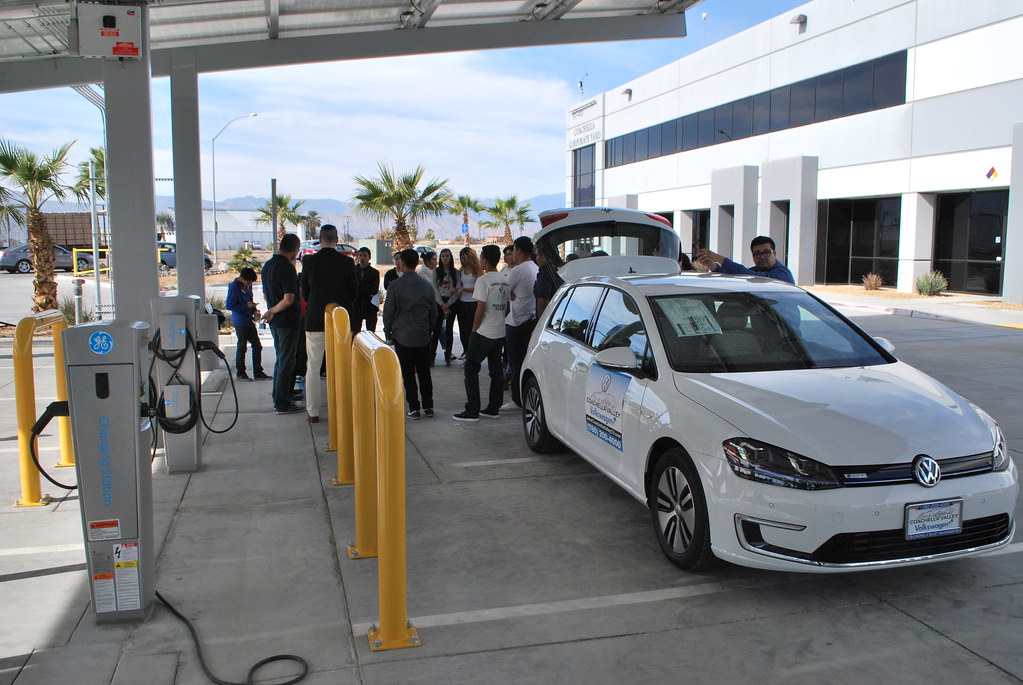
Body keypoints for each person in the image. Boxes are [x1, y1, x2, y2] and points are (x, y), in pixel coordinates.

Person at [300, 224, 358, 424]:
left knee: (313, 367)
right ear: (337, 238)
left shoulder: (309, 261)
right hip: (341, 321)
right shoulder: (347, 262)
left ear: (320, 238)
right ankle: (343, 408)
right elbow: (353, 292)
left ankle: (313, 411)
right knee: (342, 367)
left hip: (316, 319)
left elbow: (305, 292)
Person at [453, 244, 510, 422]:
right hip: (500, 331)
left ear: (484, 260)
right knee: (495, 370)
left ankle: (472, 410)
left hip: (484, 332)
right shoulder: (504, 279)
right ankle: (493, 408)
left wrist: (474, 331)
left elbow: (480, 308)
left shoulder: (483, 281)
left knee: (471, 368)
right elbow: (507, 307)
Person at [383, 249, 437, 419]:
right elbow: (434, 313)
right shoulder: (426, 286)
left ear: (402, 263)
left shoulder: (395, 286)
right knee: (424, 372)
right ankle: (428, 406)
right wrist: (428, 329)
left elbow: (388, 313)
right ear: (417, 264)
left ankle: (414, 408)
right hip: (422, 335)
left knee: (408, 373)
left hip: (402, 336)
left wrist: (388, 333)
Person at [261, 233, 304, 414]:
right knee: (286, 360)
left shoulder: (268, 266)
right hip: (286, 320)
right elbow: (288, 299)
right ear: (294, 250)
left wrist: (271, 310)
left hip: (275, 321)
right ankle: (281, 402)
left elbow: (265, 294)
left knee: (281, 358)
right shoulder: (286, 268)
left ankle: (283, 392)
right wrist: (273, 311)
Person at [501, 236, 539, 410]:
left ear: (520, 251)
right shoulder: (535, 267)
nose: (512, 254)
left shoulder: (518, 270)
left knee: (515, 362)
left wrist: (510, 295)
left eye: (514, 250)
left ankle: (516, 400)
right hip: (530, 320)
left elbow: (503, 291)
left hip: (516, 322)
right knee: (525, 361)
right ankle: (523, 397)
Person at [225, 267, 269, 382]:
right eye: (248, 282)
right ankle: (241, 372)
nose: (250, 284)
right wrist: (246, 306)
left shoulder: (248, 286)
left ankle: (258, 371)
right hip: (240, 321)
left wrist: (254, 310)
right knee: (242, 347)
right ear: (242, 278)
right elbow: (229, 305)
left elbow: (250, 299)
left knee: (257, 346)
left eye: (251, 283)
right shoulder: (234, 287)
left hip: (249, 320)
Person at [697, 236, 795, 284]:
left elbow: (748, 275)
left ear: (774, 254)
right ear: (752, 257)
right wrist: (712, 265)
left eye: (766, 252)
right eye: (757, 254)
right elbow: (736, 278)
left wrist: (718, 258)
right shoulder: (757, 270)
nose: (762, 257)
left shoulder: (783, 273)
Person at [435, 248, 461, 366]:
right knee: (436, 329)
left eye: (447, 256)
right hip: (439, 302)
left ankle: (448, 354)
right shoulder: (436, 272)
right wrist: (441, 304)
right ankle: (432, 355)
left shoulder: (455, 272)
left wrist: (449, 304)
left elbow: (458, 289)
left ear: (451, 258)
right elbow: (434, 289)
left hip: (452, 303)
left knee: (449, 329)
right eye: (443, 256)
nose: (445, 258)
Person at [455, 247, 482, 360]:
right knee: (463, 329)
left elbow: (479, 288)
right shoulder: (461, 270)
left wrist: (464, 289)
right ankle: (465, 350)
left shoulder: (478, 270)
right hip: (462, 303)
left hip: (473, 302)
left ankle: (472, 351)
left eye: (465, 257)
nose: (463, 260)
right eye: (461, 258)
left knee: (472, 329)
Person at [415, 251, 442, 362]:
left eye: (436, 259)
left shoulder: (436, 272)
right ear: (427, 261)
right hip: (427, 306)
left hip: (437, 304)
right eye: (433, 259)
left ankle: (432, 354)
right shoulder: (421, 273)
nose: (436, 262)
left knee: (437, 331)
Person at [354, 246, 381, 332]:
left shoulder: (374, 273)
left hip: (370, 306)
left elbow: (373, 289)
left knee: (371, 332)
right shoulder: (353, 271)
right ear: (357, 257)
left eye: (365, 256)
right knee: (355, 332)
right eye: (360, 255)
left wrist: (359, 288)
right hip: (356, 306)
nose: (362, 258)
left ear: (369, 258)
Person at [533, 248, 564, 319]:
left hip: (547, 317)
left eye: (537, 256)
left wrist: (541, 322)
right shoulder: (557, 270)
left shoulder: (544, 274)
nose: (537, 259)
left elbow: (542, 301)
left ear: (544, 257)